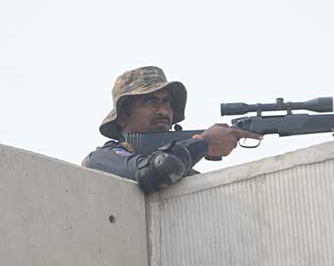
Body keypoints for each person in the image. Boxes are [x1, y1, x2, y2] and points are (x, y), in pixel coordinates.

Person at [82, 66, 258, 192]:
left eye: (167, 102)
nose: (163, 110)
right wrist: (202, 143)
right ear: (122, 118)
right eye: (150, 102)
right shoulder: (102, 158)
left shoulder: (183, 168)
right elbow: (156, 172)